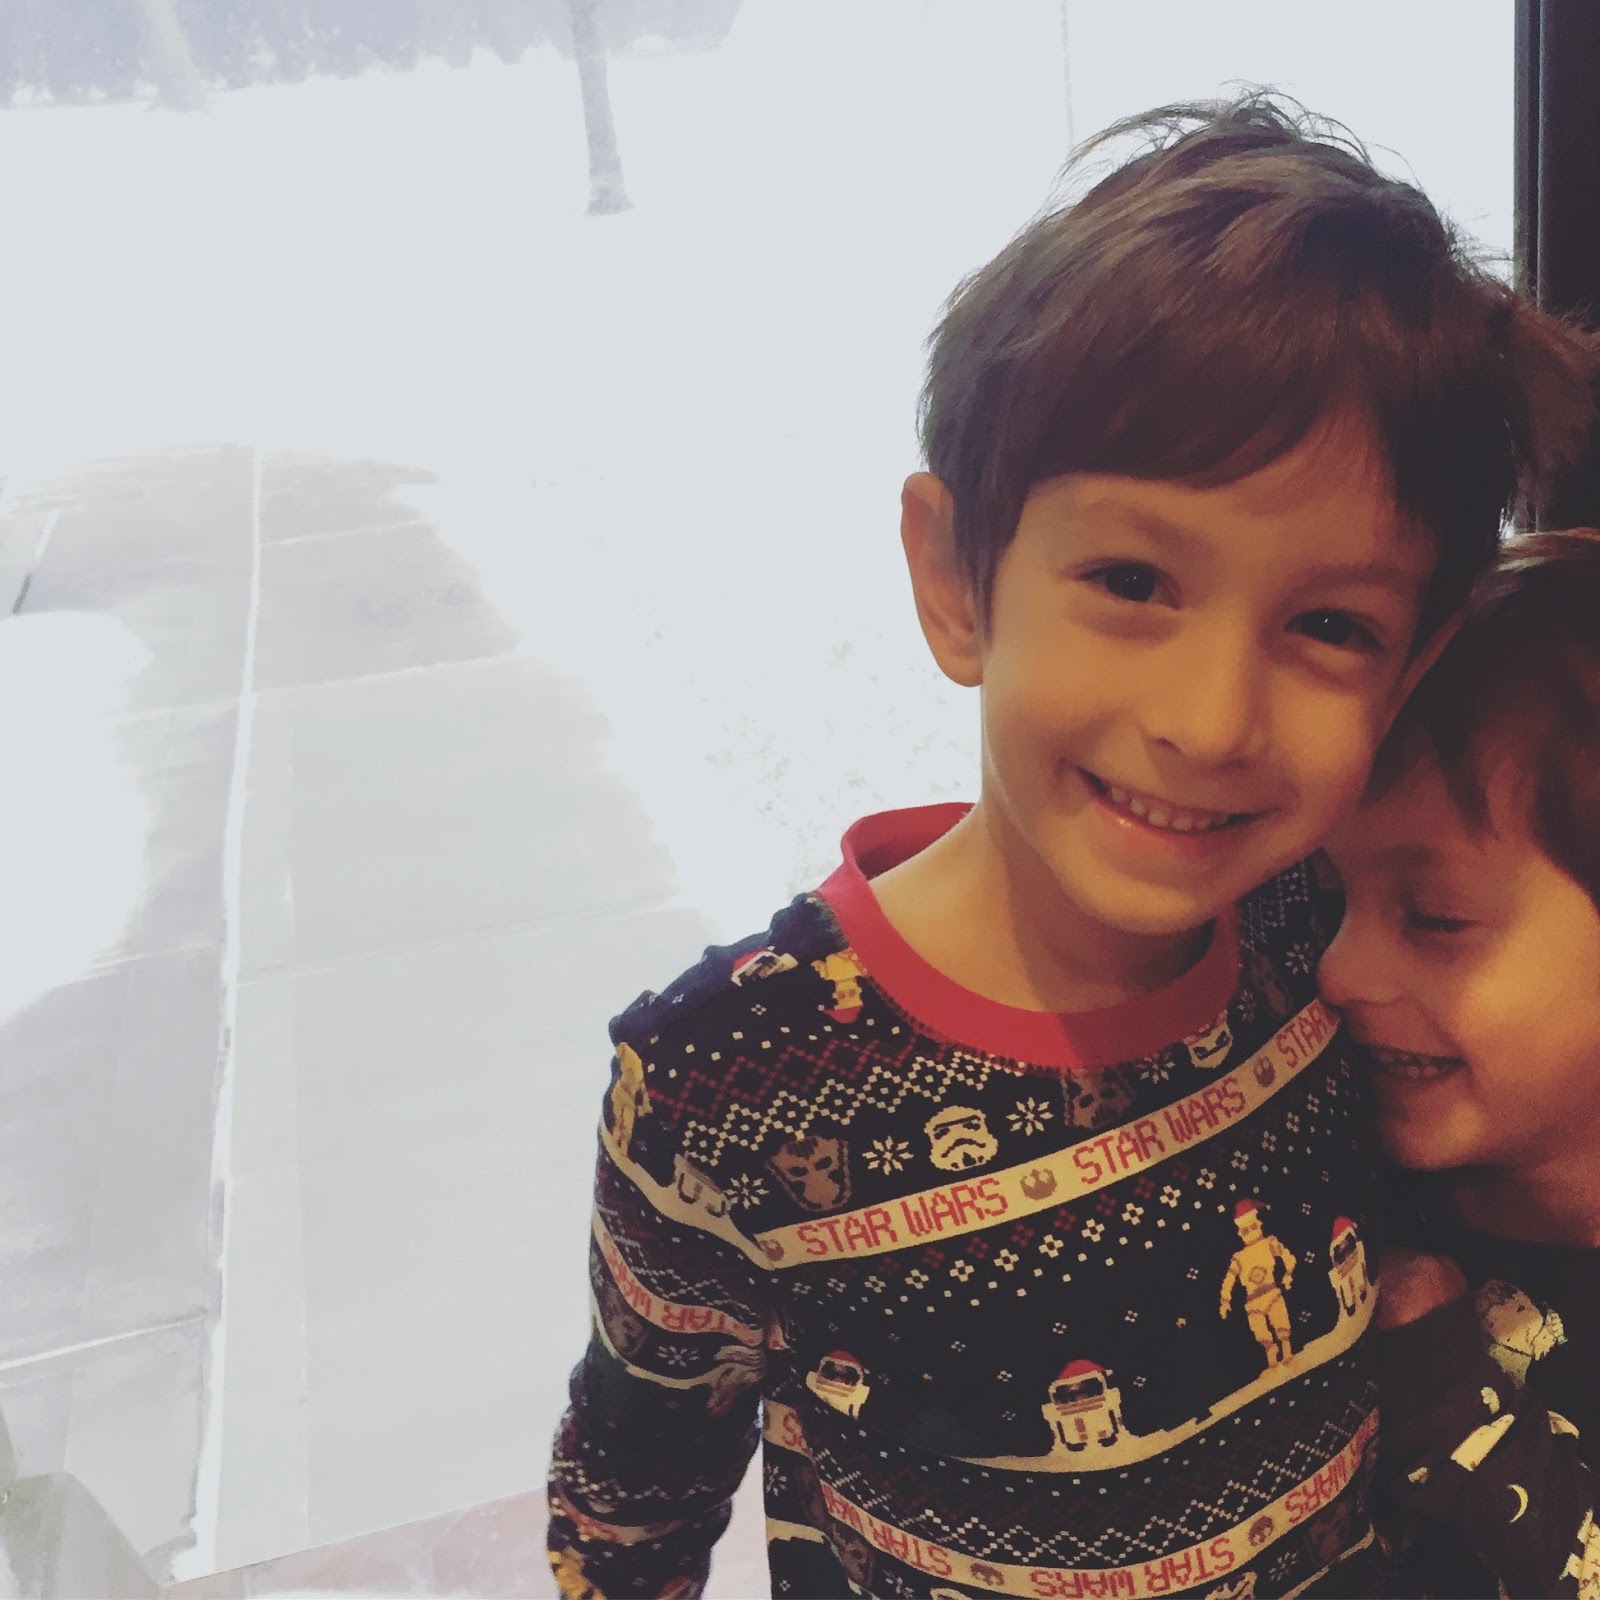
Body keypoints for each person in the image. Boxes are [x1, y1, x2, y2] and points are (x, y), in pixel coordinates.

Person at [546, 93, 1599, 1599]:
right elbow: (631, 1494)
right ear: (956, 579)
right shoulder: (727, 1078)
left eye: (1327, 623)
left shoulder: (1326, 964)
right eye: (1131, 580)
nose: (1212, 719)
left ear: (1408, 669)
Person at [1318, 529, 1600, 1598]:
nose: (1337, 972)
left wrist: (1441, 1385)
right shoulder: (1342, 1167)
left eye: (1434, 917)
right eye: (1324, 899)